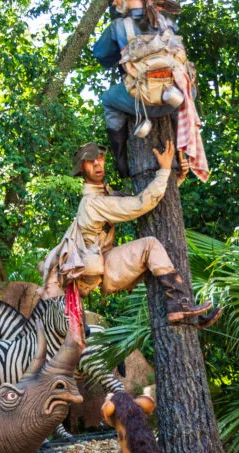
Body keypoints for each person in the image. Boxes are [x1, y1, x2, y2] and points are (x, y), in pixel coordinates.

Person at [39, 142, 220, 328]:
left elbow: (149, 198)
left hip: (105, 262)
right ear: (81, 168)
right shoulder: (93, 202)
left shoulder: (106, 195)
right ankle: (177, 303)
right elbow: (140, 204)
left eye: (100, 159)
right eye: (90, 161)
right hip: (102, 268)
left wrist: (176, 178)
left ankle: (188, 315)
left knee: (153, 250)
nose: (97, 164)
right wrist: (165, 170)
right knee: (150, 245)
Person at [92, 0, 191, 178]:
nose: (114, 3)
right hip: (176, 98)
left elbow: (101, 56)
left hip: (145, 99)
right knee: (180, 94)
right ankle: (180, 150)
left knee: (108, 99)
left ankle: (121, 161)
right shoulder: (167, 21)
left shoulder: (119, 26)